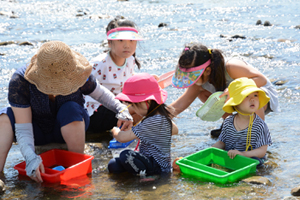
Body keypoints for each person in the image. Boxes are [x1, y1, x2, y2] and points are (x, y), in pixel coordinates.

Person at [0, 41, 133, 183]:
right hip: (36, 131)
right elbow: (23, 128)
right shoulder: (21, 81)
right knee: (5, 116)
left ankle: (76, 166)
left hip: (68, 126)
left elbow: (101, 94)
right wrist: (30, 157)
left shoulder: (77, 73)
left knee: (71, 108)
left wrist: (121, 109)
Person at [170, 43, 279, 137]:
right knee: (203, 93)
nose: (189, 80)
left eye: (192, 76)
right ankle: (230, 125)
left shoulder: (231, 67)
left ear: (207, 71)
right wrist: (157, 114)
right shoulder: (198, 83)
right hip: (232, 99)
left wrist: (234, 90)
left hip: (262, 97)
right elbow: (180, 104)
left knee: (249, 92)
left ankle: (257, 133)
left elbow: (261, 79)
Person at [107, 73, 178, 177]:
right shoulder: (162, 117)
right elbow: (175, 130)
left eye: (134, 105)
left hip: (157, 166)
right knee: (113, 164)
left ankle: (147, 177)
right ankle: (138, 173)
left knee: (125, 155)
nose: (134, 110)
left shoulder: (153, 121)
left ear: (147, 102)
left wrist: (114, 130)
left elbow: (122, 138)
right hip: (148, 161)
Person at [84, 16, 144, 133]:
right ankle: (124, 134)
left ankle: (127, 132)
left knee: (147, 101)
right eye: (121, 40)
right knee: (140, 108)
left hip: (118, 108)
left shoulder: (130, 60)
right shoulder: (100, 64)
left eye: (131, 40)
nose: (127, 45)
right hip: (95, 113)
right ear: (110, 43)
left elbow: (129, 80)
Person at [212, 77, 272, 168]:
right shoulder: (228, 121)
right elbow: (221, 143)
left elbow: (262, 151)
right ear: (236, 103)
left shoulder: (259, 125)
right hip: (231, 157)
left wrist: (243, 154)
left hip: (250, 159)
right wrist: (209, 151)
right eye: (247, 96)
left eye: (255, 95)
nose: (252, 99)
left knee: (257, 163)